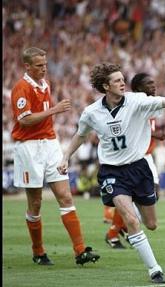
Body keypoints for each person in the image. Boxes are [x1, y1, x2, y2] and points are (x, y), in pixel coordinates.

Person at [58, 63, 165, 283]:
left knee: (151, 224)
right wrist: (65, 156)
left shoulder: (137, 101)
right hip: (112, 172)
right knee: (132, 220)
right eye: (117, 80)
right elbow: (80, 134)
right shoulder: (92, 112)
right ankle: (154, 270)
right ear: (106, 86)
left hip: (139, 168)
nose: (123, 82)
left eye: (122, 79)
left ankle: (129, 214)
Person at [10, 47, 100, 266]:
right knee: (36, 203)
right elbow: (25, 120)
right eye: (39, 65)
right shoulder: (21, 88)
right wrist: (54, 109)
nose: (44, 69)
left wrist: (53, 111)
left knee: (66, 197)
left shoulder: (45, 84)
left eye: (45, 64)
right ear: (27, 66)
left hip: (50, 144)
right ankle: (38, 251)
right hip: (29, 147)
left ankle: (80, 251)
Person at [104, 72, 165, 250]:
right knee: (136, 198)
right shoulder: (135, 104)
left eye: (154, 82)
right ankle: (115, 231)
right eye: (149, 83)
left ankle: (123, 227)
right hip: (136, 159)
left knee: (149, 197)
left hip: (147, 157)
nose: (153, 86)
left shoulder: (151, 104)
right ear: (139, 88)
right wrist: (155, 134)